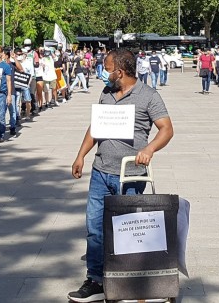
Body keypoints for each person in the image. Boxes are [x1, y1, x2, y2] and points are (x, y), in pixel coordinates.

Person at [68, 48, 174, 303]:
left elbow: (166, 129)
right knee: (94, 229)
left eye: (107, 68)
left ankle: (131, 282)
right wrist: (80, 155)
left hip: (130, 175)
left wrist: (149, 149)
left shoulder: (148, 95)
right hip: (101, 171)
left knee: (128, 232)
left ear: (121, 71)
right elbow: (95, 127)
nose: (104, 72)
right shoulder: (106, 93)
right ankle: (95, 280)